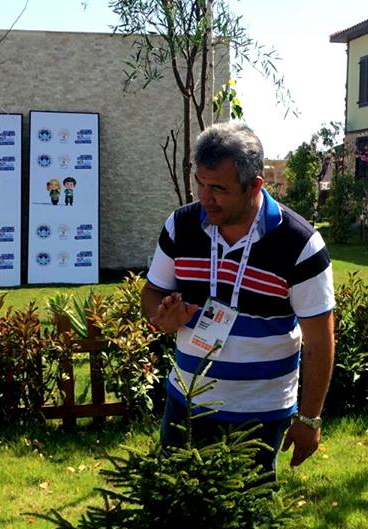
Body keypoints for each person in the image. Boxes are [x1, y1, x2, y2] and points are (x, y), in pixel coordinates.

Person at [141, 121, 335, 472]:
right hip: (186, 401)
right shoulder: (180, 226)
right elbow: (153, 292)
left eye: (218, 188)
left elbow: (319, 340)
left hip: (260, 412)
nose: (204, 198)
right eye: (199, 183)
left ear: (254, 185)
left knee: (249, 520)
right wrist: (160, 315)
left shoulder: (300, 243)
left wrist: (309, 419)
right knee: (175, 515)